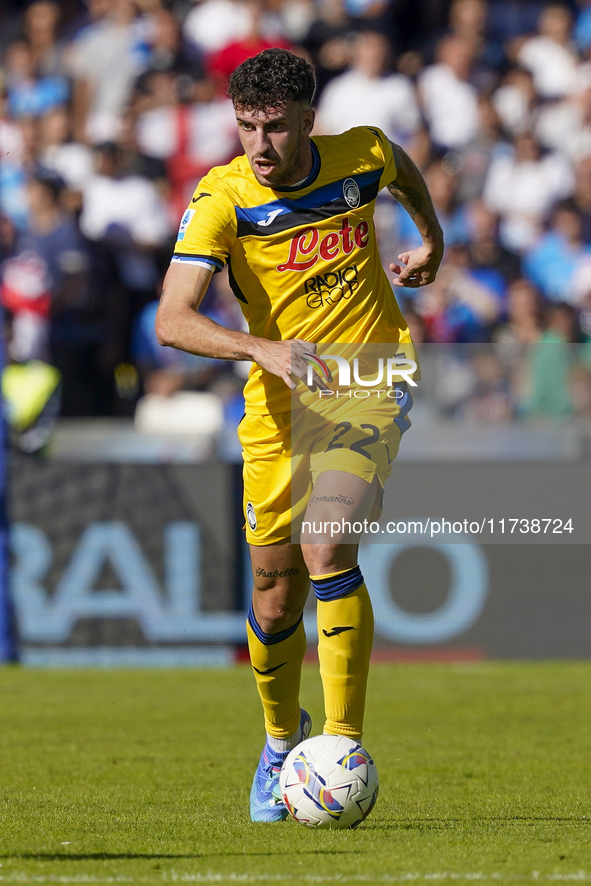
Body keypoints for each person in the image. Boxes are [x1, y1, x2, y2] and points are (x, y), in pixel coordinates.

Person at [155, 48, 443, 822]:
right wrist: (261, 350)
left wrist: (432, 240)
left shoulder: (361, 154)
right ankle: (283, 740)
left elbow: (401, 170)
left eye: (274, 127)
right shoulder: (222, 197)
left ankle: (344, 743)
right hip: (276, 402)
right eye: (245, 125)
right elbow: (171, 319)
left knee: (327, 545)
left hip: (366, 381)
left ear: (307, 121)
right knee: (275, 595)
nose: (258, 143)